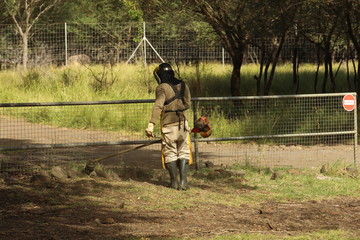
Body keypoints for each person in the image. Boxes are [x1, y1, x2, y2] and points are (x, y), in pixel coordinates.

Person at [145, 62, 192, 190]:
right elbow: (187, 104)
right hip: (183, 123)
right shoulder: (183, 85)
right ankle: (184, 183)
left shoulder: (162, 87)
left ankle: (174, 183)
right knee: (183, 151)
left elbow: (158, 106)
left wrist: (151, 124)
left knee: (170, 152)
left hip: (168, 124)